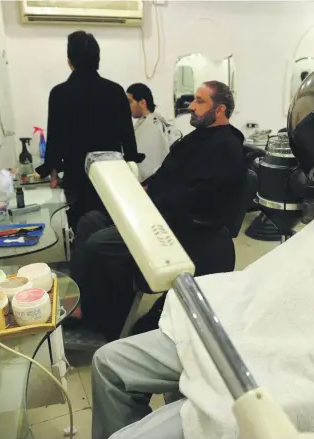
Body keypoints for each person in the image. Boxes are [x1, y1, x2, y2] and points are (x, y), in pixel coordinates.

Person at [90, 114, 314, 439]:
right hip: (244, 324)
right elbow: (280, 274)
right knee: (109, 363)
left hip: (294, 368)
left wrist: (295, 347)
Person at [70, 80, 246, 341]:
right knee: (89, 222)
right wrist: (142, 189)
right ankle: (85, 303)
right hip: (154, 209)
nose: (192, 106)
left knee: (98, 245)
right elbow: (167, 175)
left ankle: (105, 322)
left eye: (200, 101)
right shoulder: (197, 138)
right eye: (194, 100)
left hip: (176, 227)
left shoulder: (227, 148)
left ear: (220, 110)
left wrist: (150, 206)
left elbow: (197, 198)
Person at [36, 31, 143, 232]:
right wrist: (130, 163)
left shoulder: (59, 93)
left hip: (76, 174)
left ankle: (84, 260)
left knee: (81, 226)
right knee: (112, 226)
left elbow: (55, 137)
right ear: (98, 60)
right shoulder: (115, 90)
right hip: (111, 174)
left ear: (70, 61)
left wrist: (52, 170)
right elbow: (127, 135)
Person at [126, 83, 182, 181]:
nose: (127, 106)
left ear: (142, 103)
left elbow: (151, 164)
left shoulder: (152, 125)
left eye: (130, 102)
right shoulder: (145, 122)